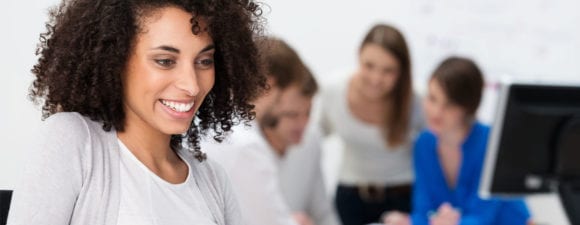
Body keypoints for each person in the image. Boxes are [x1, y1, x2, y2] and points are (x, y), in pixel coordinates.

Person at [7, 0, 265, 224]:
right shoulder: (73, 142)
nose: (192, 85)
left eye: (204, 61)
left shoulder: (212, 180)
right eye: (165, 61)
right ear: (115, 59)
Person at [202, 37, 338, 225]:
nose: (289, 107)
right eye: (291, 109)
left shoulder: (219, 123)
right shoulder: (244, 143)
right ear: (270, 84)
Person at [382, 57, 532, 225]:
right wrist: (409, 222)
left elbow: (482, 217)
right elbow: (424, 210)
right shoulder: (424, 144)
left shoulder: (491, 143)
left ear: (467, 108)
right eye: (432, 98)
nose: (436, 112)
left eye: (449, 105)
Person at [319, 24, 424, 225]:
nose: (376, 79)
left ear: (402, 71)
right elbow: (310, 138)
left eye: (388, 71)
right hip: (350, 197)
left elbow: (437, 146)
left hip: (403, 196)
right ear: (358, 57)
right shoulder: (334, 90)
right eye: (369, 66)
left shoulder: (416, 98)